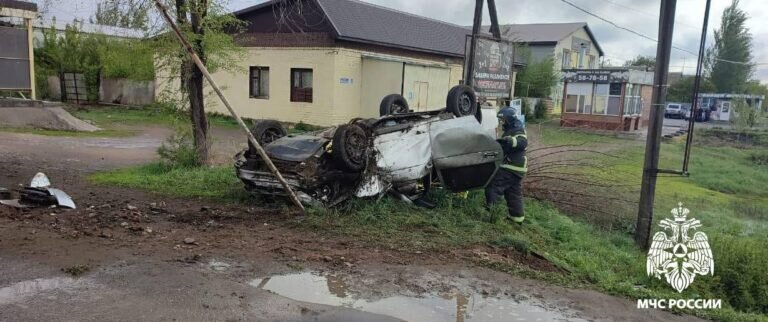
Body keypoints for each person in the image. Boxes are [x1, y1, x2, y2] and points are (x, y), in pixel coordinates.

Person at [485, 107, 528, 224]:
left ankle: (494, 215)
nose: (501, 122)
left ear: (509, 119)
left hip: (511, 166)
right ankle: (517, 218)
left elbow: (523, 142)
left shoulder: (517, 129)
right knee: (513, 193)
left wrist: (510, 141)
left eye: (503, 120)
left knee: (493, 186)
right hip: (518, 168)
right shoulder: (511, 129)